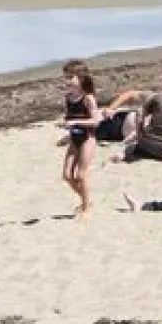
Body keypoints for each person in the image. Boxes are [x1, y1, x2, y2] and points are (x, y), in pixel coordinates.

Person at [58, 59, 101, 218]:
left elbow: (96, 121)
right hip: (74, 139)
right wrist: (65, 125)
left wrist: (76, 122)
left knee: (80, 176)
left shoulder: (88, 98)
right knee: (67, 176)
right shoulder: (68, 97)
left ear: (80, 78)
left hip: (87, 139)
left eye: (70, 77)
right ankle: (86, 201)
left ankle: (86, 208)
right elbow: (69, 118)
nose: (67, 80)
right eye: (66, 77)